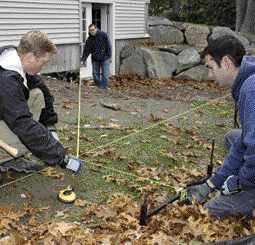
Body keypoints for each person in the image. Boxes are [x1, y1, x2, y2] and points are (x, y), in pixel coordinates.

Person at [187, 35, 255, 218]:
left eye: (211, 68)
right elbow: (244, 141)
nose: (210, 76)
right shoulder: (248, 80)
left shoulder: (251, 89)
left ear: (225, 62)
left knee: (210, 210)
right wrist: (213, 183)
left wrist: (241, 182)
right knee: (234, 137)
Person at [0, 31, 82, 174]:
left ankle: (13, 153)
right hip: (8, 115)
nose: (42, 67)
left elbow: (44, 92)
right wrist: (61, 157)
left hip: (5, 110)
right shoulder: (7, 80)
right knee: (25, 140)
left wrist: (50, 126)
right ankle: (7, 156)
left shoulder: (15, 59)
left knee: (37, 93)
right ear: (30, 57)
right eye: (43, 63)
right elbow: (23, 124)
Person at [81, 24, 112, 89]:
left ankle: (103, 87)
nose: (92, 31)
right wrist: (83, 59)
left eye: (93, 30)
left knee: (105, 74)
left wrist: (109, 56)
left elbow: (109, 46)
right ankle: (99, 86)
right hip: (95, 59)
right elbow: (86, 50)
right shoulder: (89, 39)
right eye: (90, 30)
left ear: (96, 29)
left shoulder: (103, 35)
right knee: (95, 75)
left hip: (105, 58)